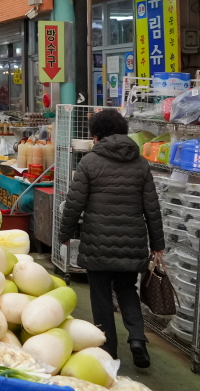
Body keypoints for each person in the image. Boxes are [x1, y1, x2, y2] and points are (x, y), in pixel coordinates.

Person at [58, 109, 164, 368]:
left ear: (96, 135)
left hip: (98, 241)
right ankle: (137, 339)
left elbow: (74, 203)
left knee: (101, 295)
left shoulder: (90, 162)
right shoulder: (140, 163)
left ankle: (108, 349)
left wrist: (65, 233)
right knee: (128, 290)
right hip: (133, 240)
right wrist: (157, 244)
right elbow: (152, 207)